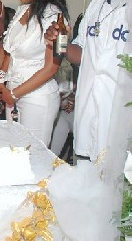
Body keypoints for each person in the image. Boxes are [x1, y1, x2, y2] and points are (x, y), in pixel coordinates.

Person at [45, 0, 132, 161]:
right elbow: (81, 55)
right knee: (84, 173)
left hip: (119, 110)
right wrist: (59, 41)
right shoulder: (96, 6)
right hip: (87, 109)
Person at [0, 0, 69, 145]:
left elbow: (51, 68)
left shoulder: (56, 18)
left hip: (37, 99)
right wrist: (0, 79)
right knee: (16, 155)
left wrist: (15, 93)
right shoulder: (23, 10)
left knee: (34, 158)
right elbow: (10, 52)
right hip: (14, 96)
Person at [49, 13, 83, 160]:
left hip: (82, 110)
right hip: (61, 110)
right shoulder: (61, 51)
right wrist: (63, 99)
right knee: (58, 125)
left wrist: (76, 97)